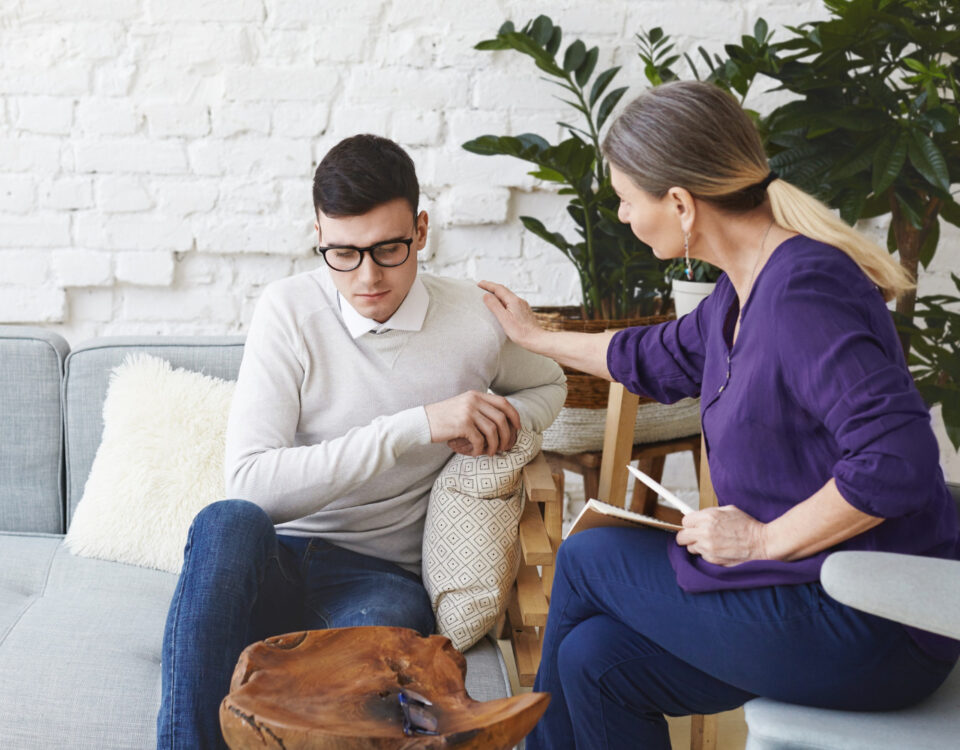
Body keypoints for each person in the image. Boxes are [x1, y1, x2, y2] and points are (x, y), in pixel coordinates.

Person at [479, 81, 960, 750]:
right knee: (595, 662)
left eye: (625, 199)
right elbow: (648, 355)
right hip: (805, 597)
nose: (620, 216)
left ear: (679, 203)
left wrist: (762, 541)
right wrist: (536, 336)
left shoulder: (802, 294)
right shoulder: (740, 293)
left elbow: (896, 465)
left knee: (590, 556)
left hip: (873, 620)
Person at [156, 134, 566, 749]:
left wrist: (501, 416)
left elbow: (552, 383)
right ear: (319, 236)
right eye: (342, 253)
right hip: (274, 558)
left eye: (388, 249)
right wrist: (415, 425)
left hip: (379, 578)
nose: (367, 276)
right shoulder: (288, 310)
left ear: (421, 230)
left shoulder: (475, 318)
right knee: (225, 521)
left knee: (377, 676)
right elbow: (251, 486)